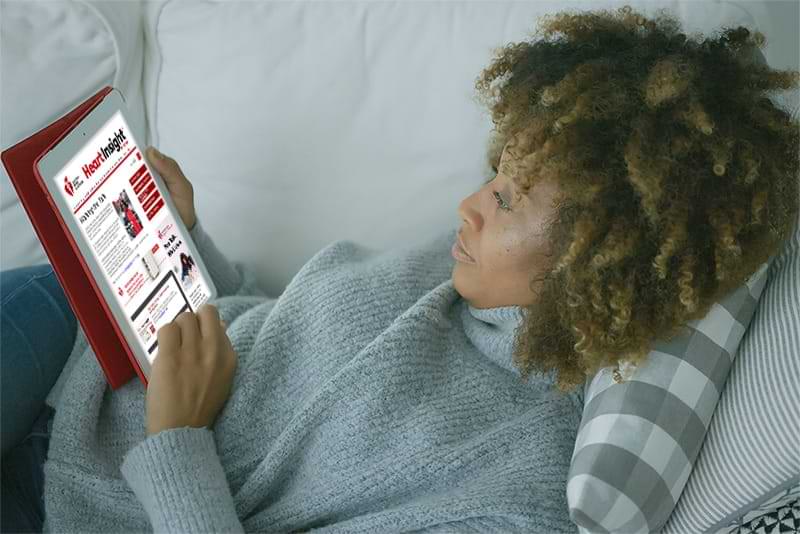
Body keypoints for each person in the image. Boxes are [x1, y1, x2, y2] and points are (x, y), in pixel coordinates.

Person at [2, 5, 798, 533]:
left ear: (602, 260)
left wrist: (177, 439)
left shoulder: (513, 495)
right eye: (496, 174)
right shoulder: (466, 272)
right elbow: (279, 337)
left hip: (75, 499)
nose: (469, 206)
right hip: (78, 339)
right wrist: (185, 240)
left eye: (510, 199)